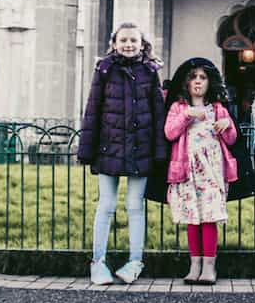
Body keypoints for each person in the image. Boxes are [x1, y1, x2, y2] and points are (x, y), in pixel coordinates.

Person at [76, 22, 166, 285]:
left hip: (141, 148)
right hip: (109, 147)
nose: (128, 45)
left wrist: (160, 152)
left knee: (135, 206)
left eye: (133, 41)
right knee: (106, 206)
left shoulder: (150, 72)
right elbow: (93, 110)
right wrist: (87, 150)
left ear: (142, 44)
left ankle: (135, 261)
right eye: (123, 40)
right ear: (114, 43)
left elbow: (158, 112)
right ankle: (98, 262)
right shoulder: (104, 70)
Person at [162, 58, 239, 285]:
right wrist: (188, 115)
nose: (198, 81)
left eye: (202, 77)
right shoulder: (179, 108)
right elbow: (169, 133)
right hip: (187, 172)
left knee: (209, 218)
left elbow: (231, 138)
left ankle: (208, 267)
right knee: (192, 219)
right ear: (186, 82)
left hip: (212, 172)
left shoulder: (217, 108)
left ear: (210, 82)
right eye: (193, 77)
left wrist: (228, 126)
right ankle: (194, 265)